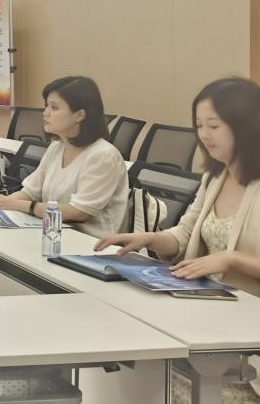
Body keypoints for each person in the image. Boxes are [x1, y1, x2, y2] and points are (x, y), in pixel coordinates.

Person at [96, 77, 260, 403]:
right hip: (208, 320)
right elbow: (184, 235)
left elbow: (225, 258)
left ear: (245, 125)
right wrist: (149, 238)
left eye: (214, 125)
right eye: (199, 125)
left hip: (247, 337)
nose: (203, 135)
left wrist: (231, 259)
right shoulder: (216, 176)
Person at [0, 76, 127, 238]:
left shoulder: (103, 155)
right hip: (54, 234)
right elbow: (31, 191)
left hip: (92, 244)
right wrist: (2, 203)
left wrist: (20, 205)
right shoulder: (57, 147)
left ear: (79, 115)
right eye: (46, 106)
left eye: (54, 107)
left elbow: (78, 212)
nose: (45, 113)